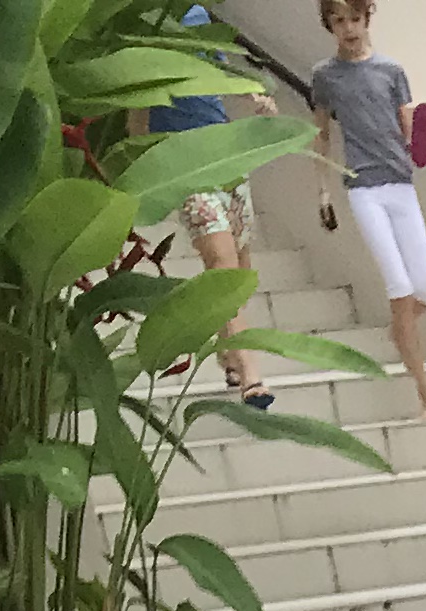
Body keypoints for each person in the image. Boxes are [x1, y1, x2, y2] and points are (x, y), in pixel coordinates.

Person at [311, 0, 426, 424]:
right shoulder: (325, 76)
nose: (348, 28)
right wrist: (323, 192)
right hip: (363, 189)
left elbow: (408, 125)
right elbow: (321, 134)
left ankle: (399, 332)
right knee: (400, 289)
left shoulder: (391, 70)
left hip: (401, 184)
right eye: (339, 21)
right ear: (329, 25)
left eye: (354, 18)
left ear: (366, 18)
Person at [144, 3, 272, 405]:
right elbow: (135, 99)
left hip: (224, 153)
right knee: (222, 266)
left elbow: (221, 69)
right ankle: (251, 373)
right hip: (183, 164)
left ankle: (228, 352)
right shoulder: (144, 19)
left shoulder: (199, 15)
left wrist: (254, 94)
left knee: (240, 267)